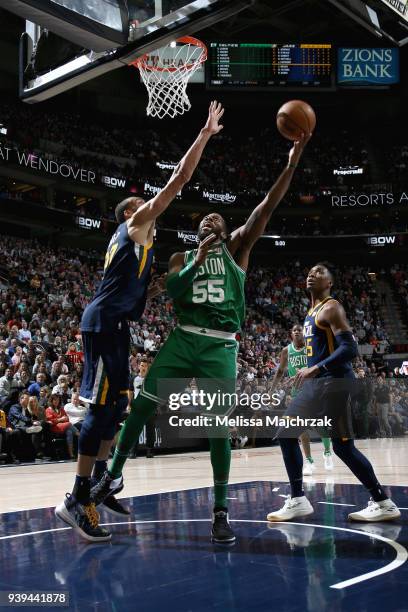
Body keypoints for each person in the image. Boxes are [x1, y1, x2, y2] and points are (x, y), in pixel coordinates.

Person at [91, 131, 312, 543]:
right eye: (203, 220)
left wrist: (292, 161)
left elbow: (267, 205)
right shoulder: (181, 258)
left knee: (217, 429)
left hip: (220, 346)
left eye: (217, 219)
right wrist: (201, 259)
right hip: (183, 338)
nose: (209, 219)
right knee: (140, 407)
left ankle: (221, 511)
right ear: (196, 234)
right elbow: (173, 292)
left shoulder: (239, 248)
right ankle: (113, 477)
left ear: (228, 230)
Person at [56, 101, 226, 542]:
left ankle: (98, 485)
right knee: (102, 409)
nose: (152, 206)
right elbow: (179, 180)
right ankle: (77, 497)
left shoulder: (140, 250)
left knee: (117, 406)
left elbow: (139, 290)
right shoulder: (133, 227)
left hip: (114, 323)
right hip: (104, 323)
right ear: (133, 213)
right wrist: (205, 135)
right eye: (142, 202)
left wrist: (166, 287)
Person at [266, 263, 400, 523]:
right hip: (318, 384)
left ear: (329, 283)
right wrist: (308, 371)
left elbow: (350, 349)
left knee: (343, 447)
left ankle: (382, 501)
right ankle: (298, 499)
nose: (312, 274)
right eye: (310, 271)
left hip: (335, 382)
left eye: (319, 272)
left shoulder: (331, 307)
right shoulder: (310, 312)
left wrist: (315, 367)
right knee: (286, 432)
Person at [270, 323, 333, 476]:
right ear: (291, 333)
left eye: (300, 330)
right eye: (295, 330)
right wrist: (272, 390)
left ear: (304, 333)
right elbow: (280, 371)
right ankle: (309, 461)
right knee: (300, 428)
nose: (297, 332)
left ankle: (327, 452)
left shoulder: (311, 348)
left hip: (314, 390)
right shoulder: (286, 351)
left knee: (320, 424)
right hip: (297, 392)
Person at [45, 394, 78, 459]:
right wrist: (60, 419)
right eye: (54, 400)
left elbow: (67, 418)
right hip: (54, 428)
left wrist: (63, 419)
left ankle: (71, 453)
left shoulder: (61, 409)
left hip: (63, 427)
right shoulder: (48, 410)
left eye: (58, 400)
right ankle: (79, 434)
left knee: (69, 432)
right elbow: (50, 421)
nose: (56, 401)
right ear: (51, 401)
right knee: (69, 424)